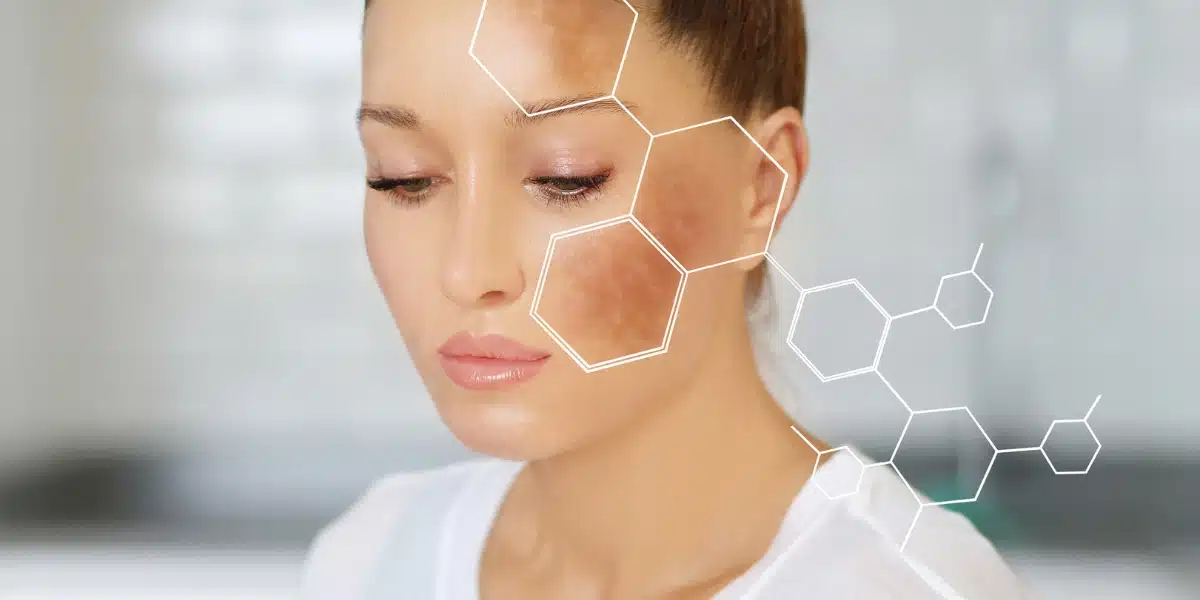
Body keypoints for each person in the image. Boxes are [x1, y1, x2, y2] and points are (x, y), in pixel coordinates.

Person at [302, 0, 1031, 598]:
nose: (467, 272)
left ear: (761, 186)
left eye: (566, 176)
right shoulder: (368, 561)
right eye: (405, 178)